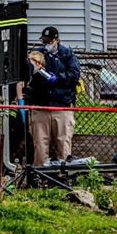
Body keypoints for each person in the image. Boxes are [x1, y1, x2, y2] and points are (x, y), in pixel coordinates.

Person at [26, 27, 81, 167]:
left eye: (49, 41)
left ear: (57, 40)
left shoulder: (67, 55)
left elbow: (74, 76)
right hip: (41, 106)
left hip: (62, 106)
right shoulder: (39, 55)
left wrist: (57, 78)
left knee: (63, 143)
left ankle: (63, 176)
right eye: (44, 41)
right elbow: (28, 76)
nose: (46, 44)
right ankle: (39, 176)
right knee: (40, 143)